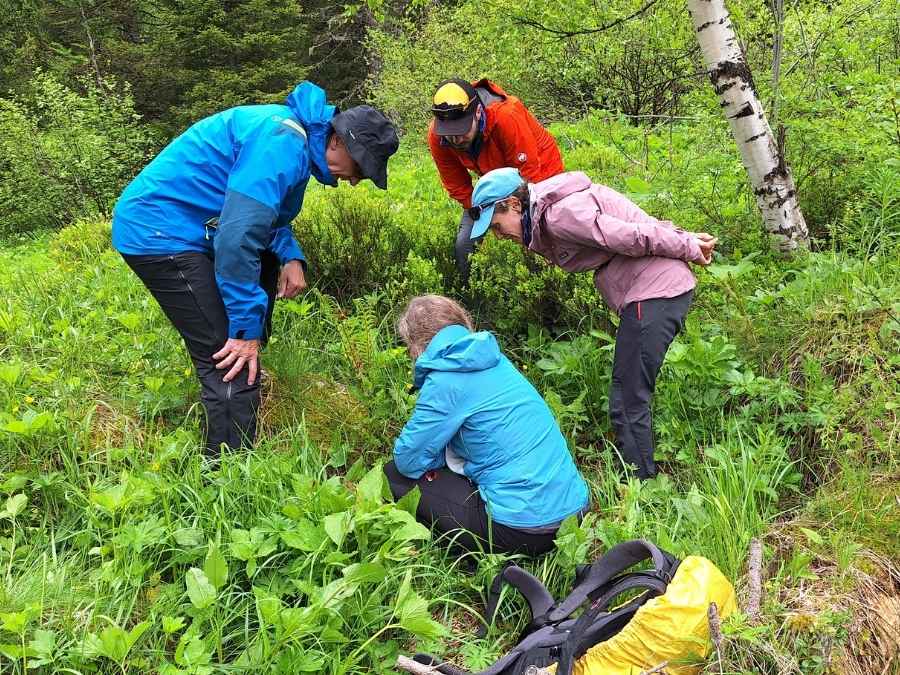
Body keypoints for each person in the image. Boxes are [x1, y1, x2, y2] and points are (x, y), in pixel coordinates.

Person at [112, 81, 399, 457]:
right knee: (225, 356)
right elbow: (237, 237)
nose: (357, 179)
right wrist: (243, 331)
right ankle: (230, 471)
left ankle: (246, 364)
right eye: (361, 167)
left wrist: (290, 255)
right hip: (158, 233)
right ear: (338, 143)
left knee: (261, 270)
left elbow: (266, 215)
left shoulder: (295, 138)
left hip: (192, 227)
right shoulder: (281, 142)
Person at [467, 168, 718, 480]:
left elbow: (631, 236)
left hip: (655, 291)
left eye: (496, 225)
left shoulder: (560, 215)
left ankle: (641, 486)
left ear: (514, 205)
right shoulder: (549, 212)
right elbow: (635, 226)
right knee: (627, 392)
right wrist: (684, 238)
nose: (498, 234)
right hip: (652, 291)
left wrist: (689, 246)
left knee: (627, 398)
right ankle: (639, 478)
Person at [384, 295, 590, 556]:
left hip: (526, 530)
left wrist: (438, 460)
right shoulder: (496, 360)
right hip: (575, 514)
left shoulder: (445, 380)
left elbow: (408, 461)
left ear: (416, 346)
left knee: (393, 476)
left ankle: (453, 556)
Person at [428, 78, 564, 281]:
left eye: (462, 130)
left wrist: (523, 221)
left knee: (538, 241)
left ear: (477, 113)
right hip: (494, 184)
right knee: (465, 244)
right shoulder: (439, 136)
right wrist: (480, 211)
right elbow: (456, 184)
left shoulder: (506, 116)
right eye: (450, 134)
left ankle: (547, 296)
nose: (455, 139)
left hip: (541, 176)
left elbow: (530, 176)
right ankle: (473, 301)